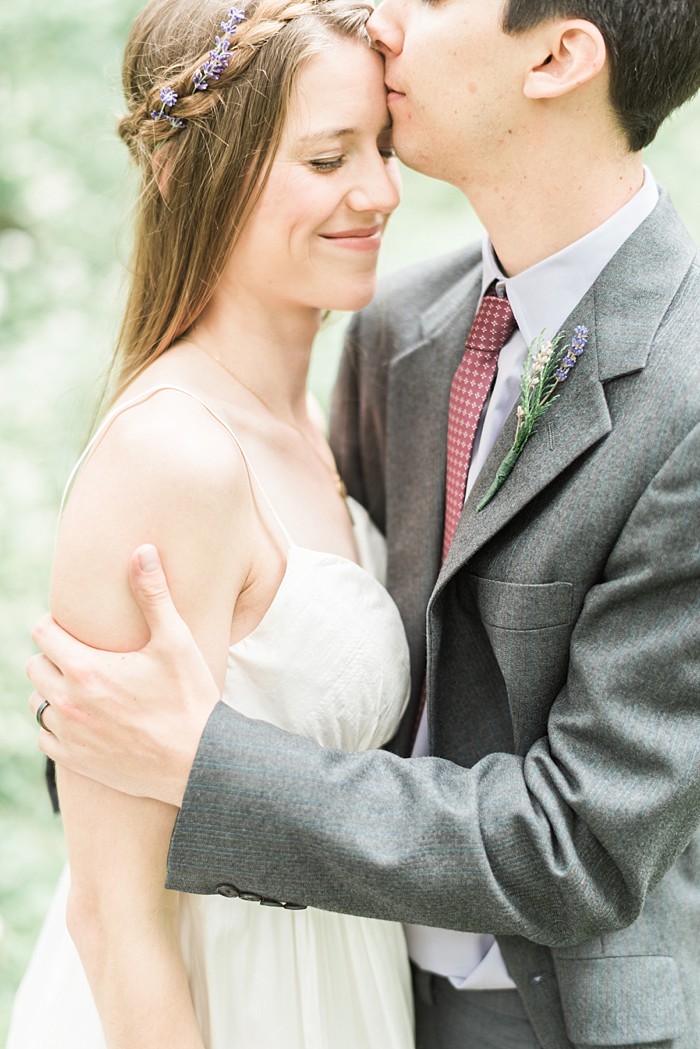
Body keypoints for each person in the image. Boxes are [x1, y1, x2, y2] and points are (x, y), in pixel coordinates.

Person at [26, 0, 700, 1045]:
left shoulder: (685, 387)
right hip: (305, 981)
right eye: (331, 155)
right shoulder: (402, 332)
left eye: (433, 1)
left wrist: (202, 761)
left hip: (556, 1012)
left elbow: (584, 842)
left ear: (561, 55)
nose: (388, 20)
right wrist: (115, 750)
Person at [9, 0, 415, 1046]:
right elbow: (112, 914)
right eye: (328, 159)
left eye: (380, 146)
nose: (378, 192)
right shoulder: (175, 453)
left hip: (342, 981)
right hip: (219, 1001)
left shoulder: (312, 417)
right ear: (193, 170)